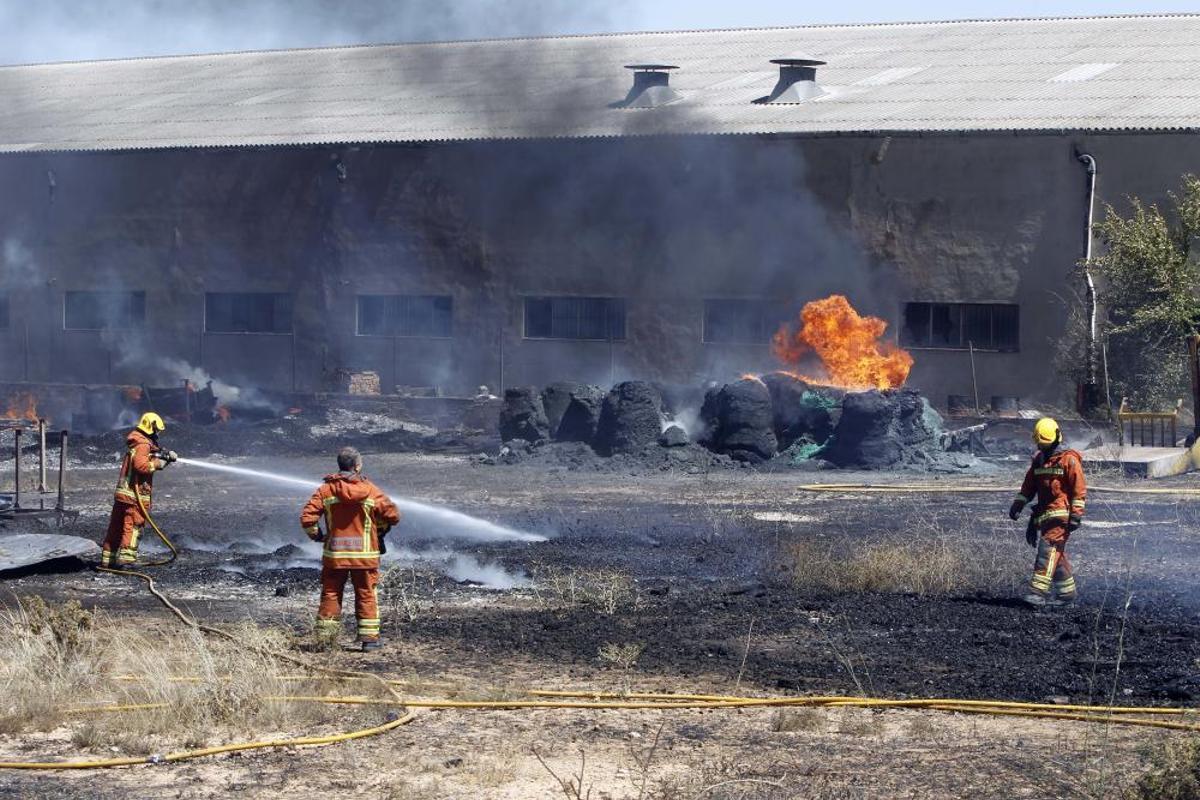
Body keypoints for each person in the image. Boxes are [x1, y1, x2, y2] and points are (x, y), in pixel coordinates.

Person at [300, 447, 400, 650]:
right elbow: (393, 516)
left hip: (335, 555)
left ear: (340, 465)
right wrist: (378, 526)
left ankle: (327, 641)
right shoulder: (371, 490)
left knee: (330, 593)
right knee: (366, 593)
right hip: (365, 556)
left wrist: (318, 536)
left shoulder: (326, 490)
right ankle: (369, 640)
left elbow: (307, 519)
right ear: (358, 466)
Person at [1008, 417, 1086, 607]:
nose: (1045, 450)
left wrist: (1076, 514)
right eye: (1042, 446)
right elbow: (1029, 486)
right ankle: (1066, 593)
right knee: (1055, 554)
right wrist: (1018, 504)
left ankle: (1037, 592)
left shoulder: (1069, 459)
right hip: (1045, 515)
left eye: (1047, 446)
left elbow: (1079, 489)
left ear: (1057, 438)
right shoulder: (1039, 460)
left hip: (1061, 516)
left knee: (1048, 549)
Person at [101, 412, 176, 568]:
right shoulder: (143, 445)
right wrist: (159, 464)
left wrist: (164, 455)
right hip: (134, 496)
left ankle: (109, 559)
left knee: (116, 526)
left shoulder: (137, 442)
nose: (158, 434)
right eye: (157, 430)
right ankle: (127, 560)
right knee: (133, 525)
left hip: (123, 494)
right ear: (151, 428)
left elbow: (151, 454)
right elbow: (141, 466)